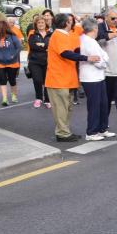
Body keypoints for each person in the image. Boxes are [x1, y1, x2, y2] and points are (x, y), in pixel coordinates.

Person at [46, 13, 101, 142]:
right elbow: (66, 53)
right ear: (66, 23)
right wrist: (87, 58)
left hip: (67, 79)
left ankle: (65, 131)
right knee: (61, 108)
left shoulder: (67, 35)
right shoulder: (58, 35)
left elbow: (75, 50)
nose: (72, 23)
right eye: (70, 21)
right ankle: (62, 133)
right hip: (58, 79)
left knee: (67, 107)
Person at [78, 17, 113, 141]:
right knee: (94, 105)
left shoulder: (89, 40)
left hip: (98, 77)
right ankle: (92, 132)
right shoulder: (88, 41)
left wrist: (104, 60)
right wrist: (104, 63)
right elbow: (99, 60)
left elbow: (103, 56)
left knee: (103, 104)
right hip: (91, 78)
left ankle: (102, 129)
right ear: (94, 28)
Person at [26, 15, 52, 108]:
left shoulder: (51, 34)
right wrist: (45, 46)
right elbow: (33, 46)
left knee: (47, 81)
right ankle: (38, 98)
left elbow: (52, 46)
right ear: (36, 24)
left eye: (42, 22)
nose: (41, 24)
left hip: (48, 61)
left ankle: (47, 100)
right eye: (39, 23)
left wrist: (42, 45)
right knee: (37, 80)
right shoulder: (32, 34)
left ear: (46, 24)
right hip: (35, 61)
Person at [0, 19, 23, 106]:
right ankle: (4, 99)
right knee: (2, 80)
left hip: (12, 63)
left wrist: (13, 56)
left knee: (12, 80)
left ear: (2, 28)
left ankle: (14, 96)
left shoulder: (12, 36)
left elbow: (19, 47)